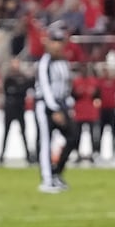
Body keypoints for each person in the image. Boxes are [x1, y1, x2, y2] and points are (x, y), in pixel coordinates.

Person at [34, 24, 75, 193]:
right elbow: (45, 86)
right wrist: (54, 109)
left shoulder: (63, 61)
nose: (57, 45)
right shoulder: (45, 62)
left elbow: (66, 86)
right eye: (54, 41)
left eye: (60, 41)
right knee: (46, 142)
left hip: (62, 103)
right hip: (46, 104)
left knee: (74, 136)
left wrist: (69, 104)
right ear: (48, 43)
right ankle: (47, 179)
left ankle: (56, 172)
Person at [0, 60, 36, 166]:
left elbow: (27, 87)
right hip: (10, 108)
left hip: (19, 107)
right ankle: (1, 155)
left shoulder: (23, 78)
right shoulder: (9, 78)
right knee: (6, 132)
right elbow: (8, 90)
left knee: (23, 132)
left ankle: (28, 155)